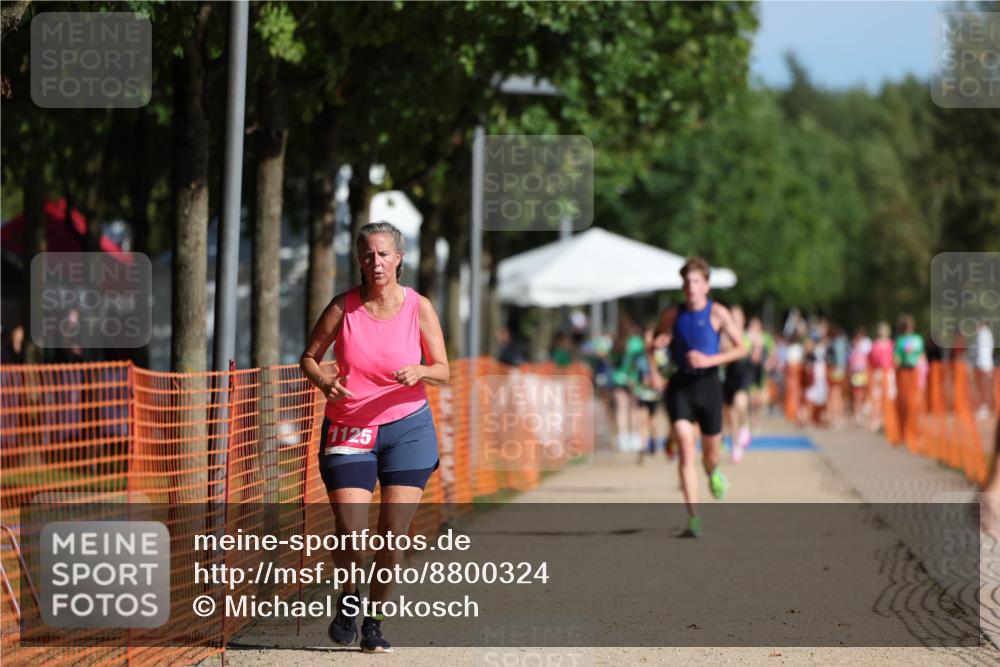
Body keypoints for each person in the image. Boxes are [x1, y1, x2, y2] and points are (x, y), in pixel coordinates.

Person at [300, 221, 449, 653]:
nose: (375, 262)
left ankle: (374, 622)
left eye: (383, 254)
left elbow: (443, 369)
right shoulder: (342, 307)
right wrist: (323, 383)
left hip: (408, 427)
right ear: (359, 261)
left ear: (399, 258)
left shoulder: (418, 307)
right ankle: (348, 597)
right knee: (351, 535)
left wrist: (421, 370)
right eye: (367, 254)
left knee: (392, 536)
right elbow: (309, 358)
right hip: (349, 426)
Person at [648, 257, 746, 537]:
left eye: (696, 282)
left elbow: (741, 348)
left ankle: (714, 472)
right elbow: (653, 343)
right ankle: (694, 519)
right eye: (687, 282)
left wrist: (710, 359)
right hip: (680, 386)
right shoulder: (672, 314)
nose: (691, 287)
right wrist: (656, 360)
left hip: (709, 386)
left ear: (706, 285)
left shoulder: (718, 313)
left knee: (710, 454)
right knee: (686, 449)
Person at [721, 305, 754, 463]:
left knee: (740, 403)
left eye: (737, 318)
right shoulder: (725, 337)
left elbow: (745, 352)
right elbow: (723, 358)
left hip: (743, 376)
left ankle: (746, 426)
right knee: (731, 415)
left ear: (743, 320)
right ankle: (735, 445)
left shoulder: (747, 336)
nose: (734, 321)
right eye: (732, 318)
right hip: (729, 378)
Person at [894, 315, 925, 446]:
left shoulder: (917, 339)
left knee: (916, 403)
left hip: (915, 372)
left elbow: (921, 355)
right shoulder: (900, 340)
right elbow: (897, 357)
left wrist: (923, 371)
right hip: (903, 373)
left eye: (909, 326)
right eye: (906, 327)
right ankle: (903, 431)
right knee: (905, 402)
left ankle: (915, 431)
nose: (908, 329)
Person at [868, 321, 895, 434]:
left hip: (884, 372)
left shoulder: (886, 344)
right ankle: (878, 420)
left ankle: (882, 420)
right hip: (883, 372)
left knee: (885, 396)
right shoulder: (886, 344)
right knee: (880, 396)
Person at [974, 320, 995, 420]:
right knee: (985, 387)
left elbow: (980, 351)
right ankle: (985, 407)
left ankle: (985, 407)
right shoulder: (986, 334)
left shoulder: (983, 334)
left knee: (984, 387)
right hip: (985, 364)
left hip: (984, 365)